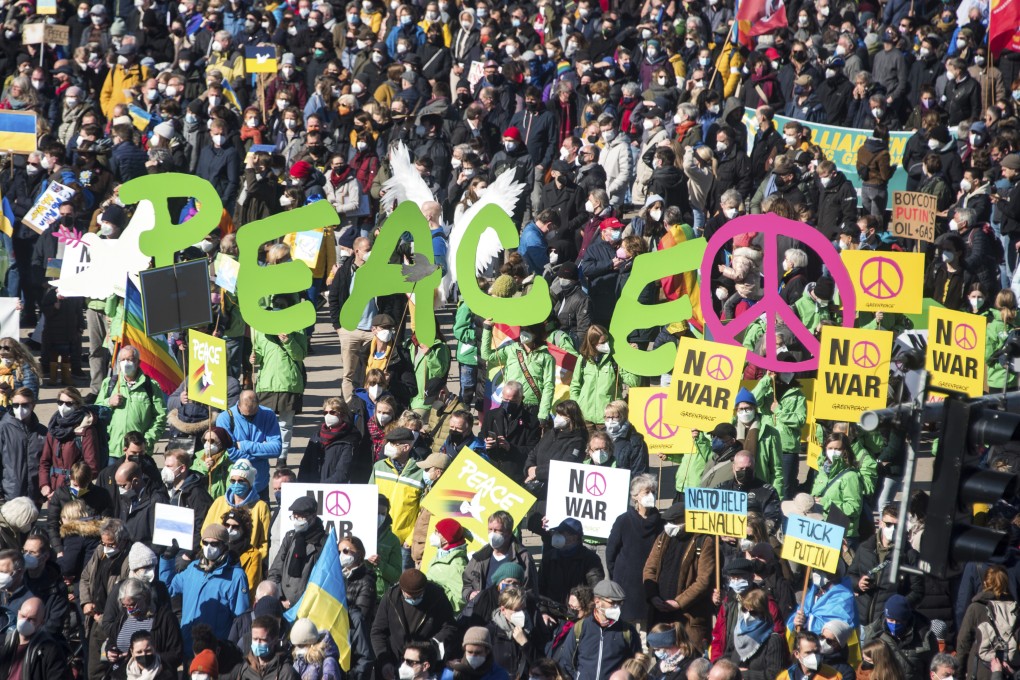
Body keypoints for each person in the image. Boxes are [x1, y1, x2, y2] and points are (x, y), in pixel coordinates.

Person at [169, 523, 250, 658]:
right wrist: (167, 560)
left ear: (224, 545)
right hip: (188, 646)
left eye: (214, 544)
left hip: (215, 651)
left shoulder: (236, 576)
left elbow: (240, 620)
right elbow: (169, 588)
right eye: (205, 543)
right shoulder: (193, 568)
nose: (208, 547)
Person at [643, 501, 716, 648]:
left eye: (674, 522)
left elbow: (703, 581)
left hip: (687, 618)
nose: (669, 526)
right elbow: (649, 569)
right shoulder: (663, 538)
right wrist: (653, 596)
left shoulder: (703, 541)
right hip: (661, 614)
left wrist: (679, 602)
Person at [370, 569, 458, 679]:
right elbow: (378, 632)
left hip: (424, 666)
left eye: (417, 596)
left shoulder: (437, 597)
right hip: (393, 663)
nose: (413, 599)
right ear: (402, 590)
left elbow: (450, 627)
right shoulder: (390, 598)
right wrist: (384, 661)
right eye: (409, 596)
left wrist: (432, 645)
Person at [555, 579, 641, 680]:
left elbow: (636, 665)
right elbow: (567, 662)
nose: (617, 607)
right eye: (612, 602)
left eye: (619, 603)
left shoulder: (628, 631)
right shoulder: (580, 628)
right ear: (597, 602)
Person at [607, 474, 661, 627]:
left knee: (645, 639)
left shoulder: (660, 523)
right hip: (626, 586)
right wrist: (618, 574)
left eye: (653, 491)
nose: (651, 495)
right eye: (646, 492)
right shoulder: (623, 521)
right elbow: (611, 552)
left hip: (649, 587)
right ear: (635, 496)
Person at [95, 346, 168, 455]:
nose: (126, 363)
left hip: (139, 452)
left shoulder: (150, 386)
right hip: (112, 450)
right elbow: (96, 411)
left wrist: (147, 440)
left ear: (138, 362)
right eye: (123, 360)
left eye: (130, 359)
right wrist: (108, 402)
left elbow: (160, 417)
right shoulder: (110, 383)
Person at [216, 390, 283, 501]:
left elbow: (276, 449)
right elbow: (231, 454)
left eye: (254, 415)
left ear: (258, 405)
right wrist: (263, 452)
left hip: (260, 485)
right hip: (235, 487)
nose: (250, 418)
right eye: (246, 415)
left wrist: (243, 445)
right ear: (238, 405)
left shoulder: (268, 414)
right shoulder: (225, 418)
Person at [462, 510, 539, 604]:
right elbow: (467, 584)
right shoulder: (479, 557)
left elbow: (531, 591)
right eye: (490, 529)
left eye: (497, 530)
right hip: (483, 612)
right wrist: (470, 594)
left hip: (510, 613)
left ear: (509, 533)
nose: (492, 534)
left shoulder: (522, 557)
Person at [957, 565, 1016, 680]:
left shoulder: (976, 608)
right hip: (1010, 670)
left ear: (985, 583)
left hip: (980, 671)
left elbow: (963, 643)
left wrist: (959, 673)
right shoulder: (1016, 610)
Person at [268, 496, 328, 607]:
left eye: (301, 518)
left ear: (313, 516)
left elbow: (323, 581)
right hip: (282, 603)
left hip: (307, 606)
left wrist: (296, 603)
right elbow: (275, 570)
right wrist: (279, 597)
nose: (297, 521)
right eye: (294, 517)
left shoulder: (324, 542)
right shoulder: (290, 537)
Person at [0, 387, 46, 504]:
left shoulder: (43, 432)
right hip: (10, 495)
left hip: (35, 495)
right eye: (16, 405)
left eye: (25, 405)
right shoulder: (3, 428)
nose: (20, 409)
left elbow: (46, 463)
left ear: (33, 405)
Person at [775, 631, 841, 680]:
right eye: (808, 653)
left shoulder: (833, 676)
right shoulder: (784, 678)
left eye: (816, 652)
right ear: (797, 654)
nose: (814, 656)